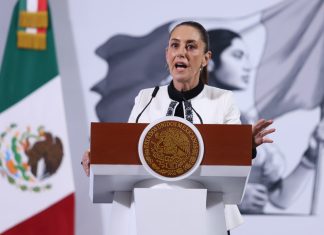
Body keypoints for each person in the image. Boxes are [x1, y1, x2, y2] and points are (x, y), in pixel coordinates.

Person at [82, 21, 275, 233]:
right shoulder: (146, 98)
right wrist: (98, 156)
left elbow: (231, 158)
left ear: (206, 58)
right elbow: (128, 152)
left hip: (208, 217)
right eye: (175, 45)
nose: (181, 53)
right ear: (167, 55)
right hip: (151, 215)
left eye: (191, 47)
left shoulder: (223, 100)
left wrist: (246, 146)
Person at [207, 28, 322, 214]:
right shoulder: (182, 120)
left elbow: (280, 198)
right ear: (208, 62)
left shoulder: (245, 122)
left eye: (246, 57)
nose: (247, 66)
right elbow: (164, 189)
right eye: (237, 56)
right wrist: (231, 199)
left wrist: (311, 155)